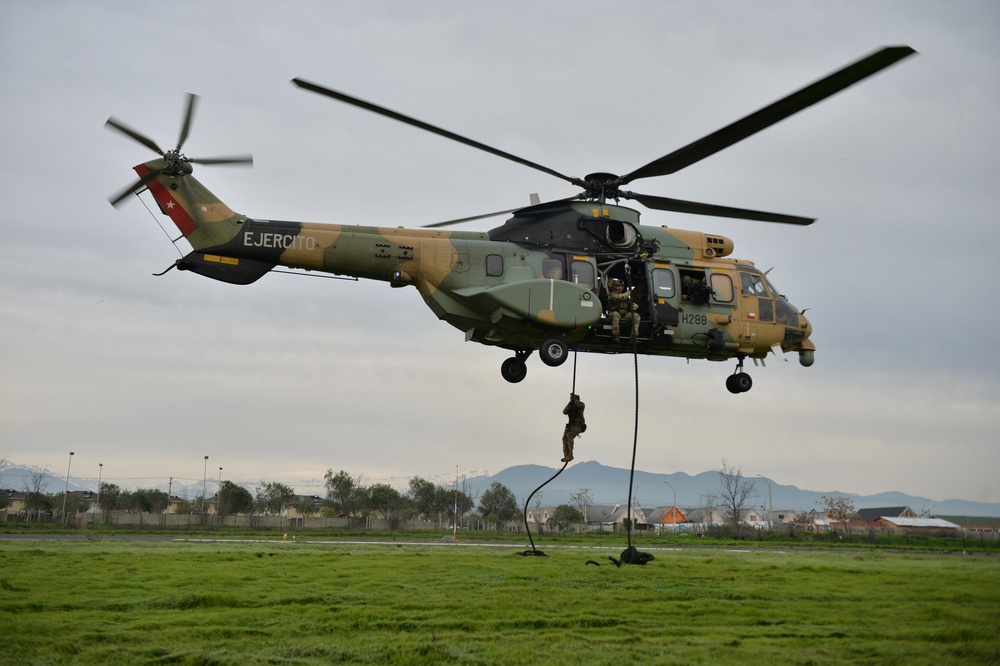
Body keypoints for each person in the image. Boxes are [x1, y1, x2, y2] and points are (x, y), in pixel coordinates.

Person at [561, 393, 586, 462]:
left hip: (578, 426)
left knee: (569, 436)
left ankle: (570, 454)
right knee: (564, 438)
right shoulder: (571, 406)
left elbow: (581, 405)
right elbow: (564, 412)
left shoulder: (581, 405)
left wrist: (574, 400)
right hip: (571, 425)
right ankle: (566, 454)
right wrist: (570, 403)